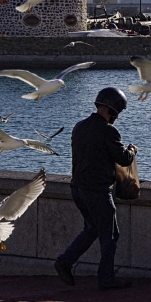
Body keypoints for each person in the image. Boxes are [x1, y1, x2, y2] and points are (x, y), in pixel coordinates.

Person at [54, 87, 137, 290]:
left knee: (92, 228)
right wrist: (132, 150)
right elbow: (123, 159)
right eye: (118, 113)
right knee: (110, 235)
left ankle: (65, 261)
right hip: (98, 191)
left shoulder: (79, 127)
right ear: (113, 111)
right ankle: (106, 278)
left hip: (78, 189)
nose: (117, 118)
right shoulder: (109, 130)